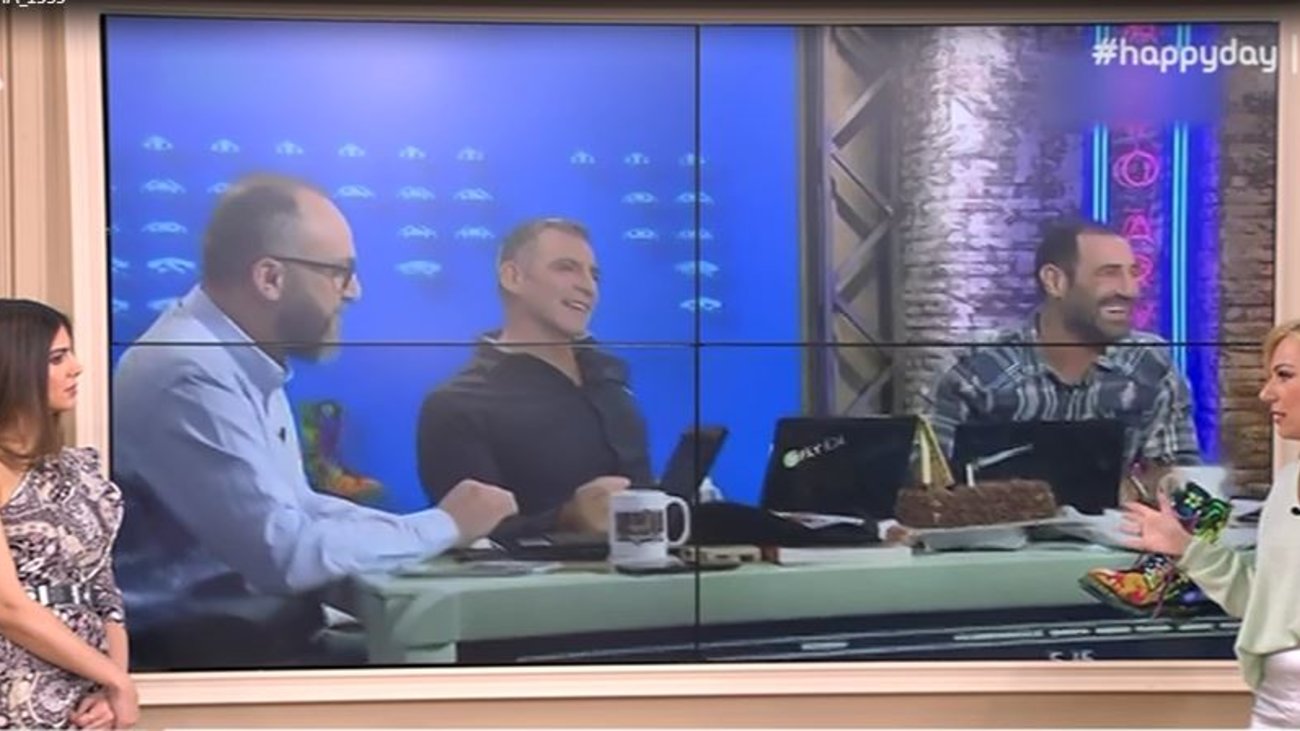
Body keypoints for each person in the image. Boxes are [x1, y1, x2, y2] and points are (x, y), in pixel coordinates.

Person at [112, 173, 517, 666]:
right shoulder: (188, 372)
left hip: (254, 638)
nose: (354, 292)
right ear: (270, 278)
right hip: (211, 659)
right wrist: (443, 526)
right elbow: (284, 552)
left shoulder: (236, 358)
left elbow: (298, 507)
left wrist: (430, 532)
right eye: (340, 273)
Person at [925, 218, 1201, 491]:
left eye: (1133, 272)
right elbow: (930, 488)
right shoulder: (973, 368)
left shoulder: (1149, 362)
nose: (1131, 290)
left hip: (1117, 522)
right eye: (1109, 273)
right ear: (1055, 281)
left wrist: (1151, 487)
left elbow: (1178, 479)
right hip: (994, 522)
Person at [416, 217, 652, 538]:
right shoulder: (456, 404)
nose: (588, 287)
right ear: (512, 277)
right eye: (566, 268)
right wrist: (565, 520)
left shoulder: (611, 379)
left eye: (594, 275)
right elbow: (469, 538)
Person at [1124, 319, 1300, 728]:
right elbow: (1266, 605)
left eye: (1284, 375)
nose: (1266, 393)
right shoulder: (1288, 483)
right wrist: (1187, 548)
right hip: (1275, 708)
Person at [0, 299, 139, 729]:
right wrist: (117, 681)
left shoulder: (79, 469)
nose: (76, 368)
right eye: (57, 358)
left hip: (87, 699)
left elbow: (104, 591)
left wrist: (110, 687)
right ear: (15, 369)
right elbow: (7, 606)